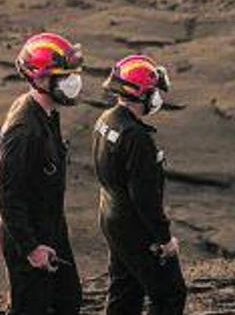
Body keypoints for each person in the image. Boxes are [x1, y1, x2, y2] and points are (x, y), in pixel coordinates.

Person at [0, 32, 86, 315]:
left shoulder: (46, 114)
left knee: (68, 300)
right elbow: (7, 195)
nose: (72, 82)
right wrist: (32, 248)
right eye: (63, 75)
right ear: (40, 78)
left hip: (50, 228)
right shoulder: (24, 130)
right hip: (29, 238)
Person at [92, 55, 187, 315]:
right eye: (154, 91)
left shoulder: (106, 120)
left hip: (112, 219)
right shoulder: (136, 138)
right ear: (142, 95)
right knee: (170, 295)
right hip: (136, 228)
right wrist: (164, 239)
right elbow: (145, 198)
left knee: (125, 292)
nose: (157, 98)